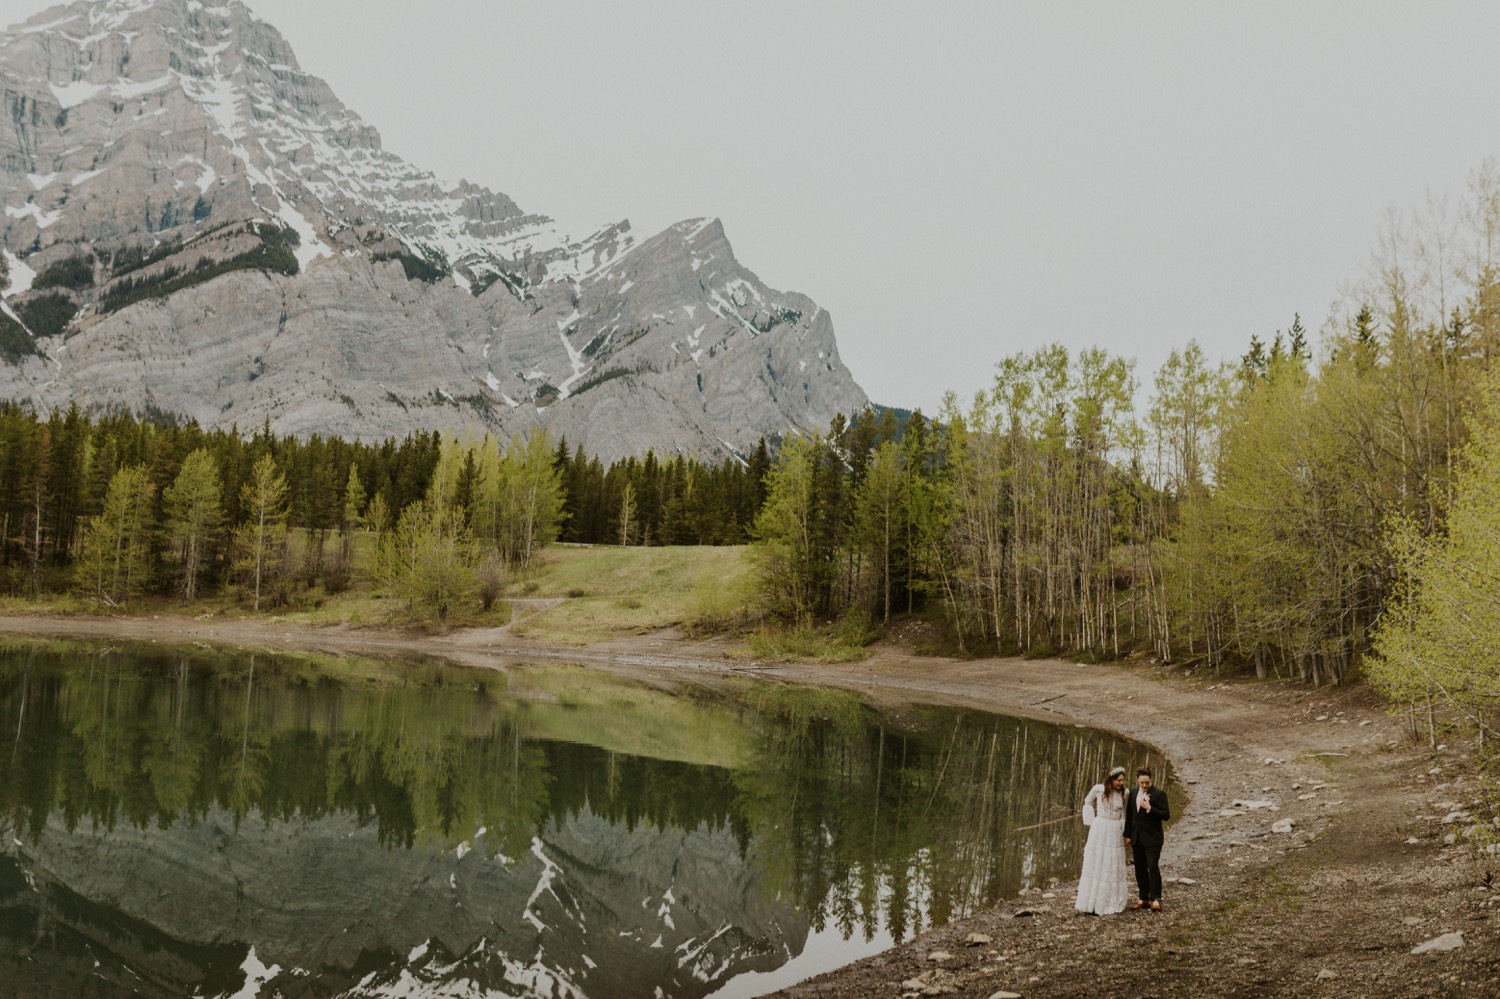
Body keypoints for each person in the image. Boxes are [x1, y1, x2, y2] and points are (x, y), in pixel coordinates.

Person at [1074, 766, 1131, 915]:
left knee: (1111, 861)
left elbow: (1124, 814)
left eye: (1122, 780)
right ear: (1111, 779)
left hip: (1115, 829)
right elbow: (1087, 802)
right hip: (1100, 827)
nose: (1121, 782)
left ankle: (1110, 900)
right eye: (1118, 780)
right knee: (1097, 859)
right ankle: (1091, 901)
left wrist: (1125, 832)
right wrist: (1091, 821)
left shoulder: (1125, 793)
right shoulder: (1099, 789)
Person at [1123, 766, 1170, 911]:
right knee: (1139, 869)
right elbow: (1130, 816)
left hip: (1153, 839)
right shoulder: (1132, 792)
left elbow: (1166, 815)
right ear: (1137, 780)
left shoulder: (1158, 794)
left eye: (1147, 782)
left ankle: (1156, 899)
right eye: (1142, 782)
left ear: (1151, 780)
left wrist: (1150, 808)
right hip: (1137, 838)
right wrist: (1127, 835)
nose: (1144, 785)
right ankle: (1143, 898)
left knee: (1153, 867)